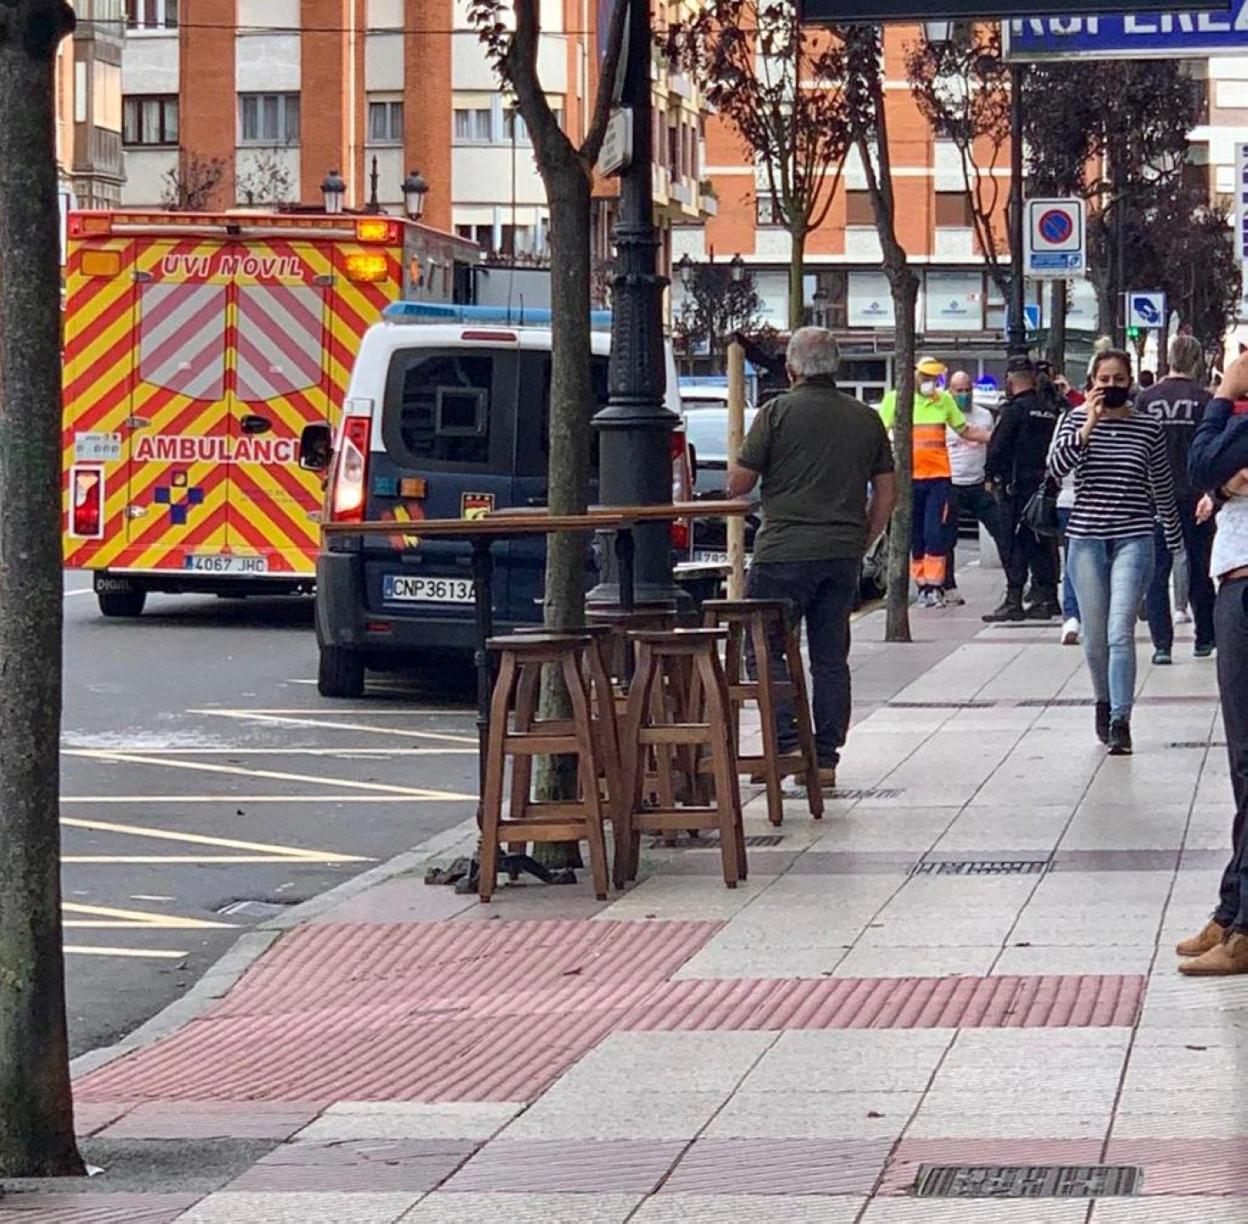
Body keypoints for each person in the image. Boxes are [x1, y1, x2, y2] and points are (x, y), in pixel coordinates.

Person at [728, 327, 897, 790]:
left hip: (782, 552)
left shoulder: (776, 413)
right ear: (836, 366)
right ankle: (824, 759)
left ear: (792, 368)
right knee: (830, 656)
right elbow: (887, 490)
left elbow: (739, 485)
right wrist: (864, 537)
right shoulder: (864, 418)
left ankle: (785, 746)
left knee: (766, 648)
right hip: (840, 554)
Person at [1048, 348, 1181, 755]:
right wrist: (1088, 424)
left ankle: (1121, 719)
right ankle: (1102, 701)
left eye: (1118, 380)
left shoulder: (1148, 427)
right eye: (1103, 380)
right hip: (1086, 539)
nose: (1110, 387)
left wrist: (1175, 543)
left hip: (1134, 537)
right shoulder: (1073, 420)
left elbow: (1161, 484)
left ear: (1130, 383)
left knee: (1120, 629)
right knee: (1094, 638)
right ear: (1091, 383)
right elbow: (1056, 468)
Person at [879, 358, 989, 609]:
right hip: (909, 480)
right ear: (914, 375)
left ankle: (935, 585)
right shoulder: (895, 399)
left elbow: (965, 430)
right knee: (916, 536)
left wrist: (995, 438)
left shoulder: (944, 400)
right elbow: (880, 431)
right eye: (926, 377)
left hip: (939, 478)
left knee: (935, 533)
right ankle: (923, 587)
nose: (930, 383)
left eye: (934, 379)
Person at [1137, 335, 1217, 665]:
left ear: (1169, 358)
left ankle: (1162, 645)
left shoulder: (1147, 399)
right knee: (1200, 569)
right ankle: (1204, 638)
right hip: (1196, 497)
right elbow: (1215, 451)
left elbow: (1137, 450)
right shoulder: (1205, 401)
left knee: (1157, 573)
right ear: (1197, 361)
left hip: (1156, 498)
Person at [982, 358, 1062, 622]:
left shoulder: (1014, 411)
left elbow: (998, 446)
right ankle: (1047, 598)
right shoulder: (1048, 409)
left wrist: (990, 475)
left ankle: (1013, 599)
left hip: (1016, 488)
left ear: (1010, 379)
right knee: (1041, 542)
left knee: (1014, 543)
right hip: (1045, 486)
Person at [944, 370, 1003, 607]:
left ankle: (1015, 581)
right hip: (951, 483)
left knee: (1000, 529)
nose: (965, 394)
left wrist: (991, 480)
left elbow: (992, 449)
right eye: (959, 390)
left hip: (978, 484)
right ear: (950, 391)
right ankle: (947, 586)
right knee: (946, 538)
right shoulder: (943, 416)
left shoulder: (985, 416)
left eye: (968, 389)